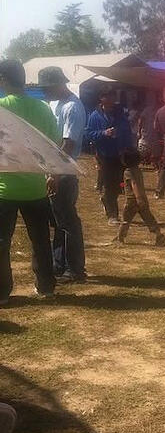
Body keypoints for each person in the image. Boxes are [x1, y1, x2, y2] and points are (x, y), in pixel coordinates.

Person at [0, 59, 59, 304]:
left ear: (4, 80)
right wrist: (53, 174)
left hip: (4, 189)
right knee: (41, 240)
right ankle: (45, 286)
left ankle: (2, 293)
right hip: (36, 188)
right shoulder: (43, 109)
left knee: (2, 242)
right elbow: (54, 146)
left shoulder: (2, 107)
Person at [38, 66, 87, 283]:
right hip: (54, 170)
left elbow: (68, 145)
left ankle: (75, 269)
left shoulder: (72, 107)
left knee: (68, 222)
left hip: (64, 172)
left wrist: (55, 173)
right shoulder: (56, 104)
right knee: (58, 221)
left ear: (58, 84)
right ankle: (59, 264)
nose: (44, 93)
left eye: (46, 88)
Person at [86, 90, 132, 224]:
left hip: (120, 154)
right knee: (109, 185)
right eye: (108, 96)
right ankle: (112, 215)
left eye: (113, 96)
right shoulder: (95, 116)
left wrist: (128, 147)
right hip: (104, 155)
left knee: (119, 185)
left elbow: (127, 131)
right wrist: (103, 133)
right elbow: (88, 134)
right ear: (102, 98)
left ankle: (106, 199)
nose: (112, 99)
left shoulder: (121, 114)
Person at [116, 148, 165, 246]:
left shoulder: (128, 172)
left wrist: (138, 198)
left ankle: (120, 237)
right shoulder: (138, 170)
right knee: (148, 218)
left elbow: (134, 184)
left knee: (126, 219)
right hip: (143, 198)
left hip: (132, 200)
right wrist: (141, 198)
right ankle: (158, 234)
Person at [137, 92, 162, 169]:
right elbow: (140, 120)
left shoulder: (159, 110)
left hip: (154, 135)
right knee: (142, 151)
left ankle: (155, 165)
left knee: (156, 153)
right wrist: (139, 131)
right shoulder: (147, 109)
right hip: (146, 134)